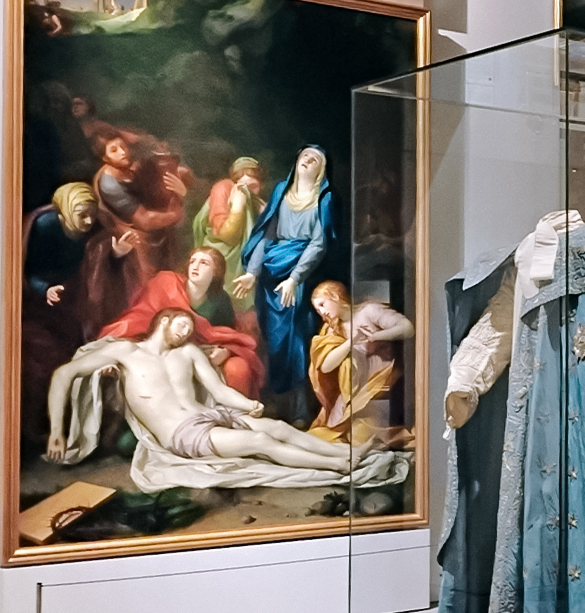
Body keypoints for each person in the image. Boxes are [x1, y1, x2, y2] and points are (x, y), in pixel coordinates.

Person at [46, 309, 354, 472]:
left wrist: (247, 405)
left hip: (210, 415)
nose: (185, 333)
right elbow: (63, 374)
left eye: (190, 330)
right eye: (182, 325)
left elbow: (219, 391)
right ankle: (337, 465)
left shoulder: (189, 353)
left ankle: (347, 452)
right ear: (164, 320)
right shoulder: (125, 352)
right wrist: (57, 431)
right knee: (260, 440)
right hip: (180, 433)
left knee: (275, 427)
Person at [20, 184, 127, 442]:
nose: (89, 221)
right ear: (66, 210)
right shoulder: (45, 226)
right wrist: (44, 289)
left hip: (78, 298)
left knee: (77, 356)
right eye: (82, 215)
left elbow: (100, 261)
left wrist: (117, 254)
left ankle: (75, 425)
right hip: (44, 303)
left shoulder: (98, 224)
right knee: (45, 362)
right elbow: (27, 269)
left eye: (92, 214)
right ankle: (39, 429)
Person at [236, 145, 337, 401]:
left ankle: (299, 405)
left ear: (321, 170)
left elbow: (319, 243)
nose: (308, 160)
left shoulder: (323, 198)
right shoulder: (282, 190)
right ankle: (273, 399)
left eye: (314, 159)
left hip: (298, 274)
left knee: (296, 338)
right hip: (271, 273)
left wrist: (294, 279)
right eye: (304, 156)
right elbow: (268, 234)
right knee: (272, 337)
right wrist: (253, 272)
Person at [98, 248, 265, 398]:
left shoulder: (220, 301)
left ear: (216, 272)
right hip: (158, 348)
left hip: (199, 353)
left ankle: (235, 419)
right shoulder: (165, 284)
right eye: (193, 261)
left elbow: (227, 335)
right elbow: (139, 318)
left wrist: (226, 352)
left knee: (238, 367)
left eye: (204, 263)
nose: (195, 266)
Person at [80, 132, 189, 333]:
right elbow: (144, 220)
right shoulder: (110, 184)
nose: (122, 152)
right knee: (145, 294)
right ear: (104, 158)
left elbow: (167, 178)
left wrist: (180, 186)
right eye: (114, 150)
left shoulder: (131, 169)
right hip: (133, 244)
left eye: (123, 147)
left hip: (157, 238)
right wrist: (175, 213)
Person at [307, 279, 414, 445]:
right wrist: (351, 342)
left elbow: (407, 327)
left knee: (358, 438)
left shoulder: (368, 311)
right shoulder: (332, 329)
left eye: (322, 304)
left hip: (380, 388)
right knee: (325, 438)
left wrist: (376, 337)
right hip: (351, 393)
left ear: (335, 296)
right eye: (317, 309)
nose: (322, 312)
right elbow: (326, 366)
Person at [192, 156, 266, 328]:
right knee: (213, 304)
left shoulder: (257, 203)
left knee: (239, 316)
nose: (248, 186)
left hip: (243, 264)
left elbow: (265, 237)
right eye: (243, 177)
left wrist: (264, 216)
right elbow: (227, 234)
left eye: (253, 181)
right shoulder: (224, 188)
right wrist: (238, 207)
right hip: (220, 257)